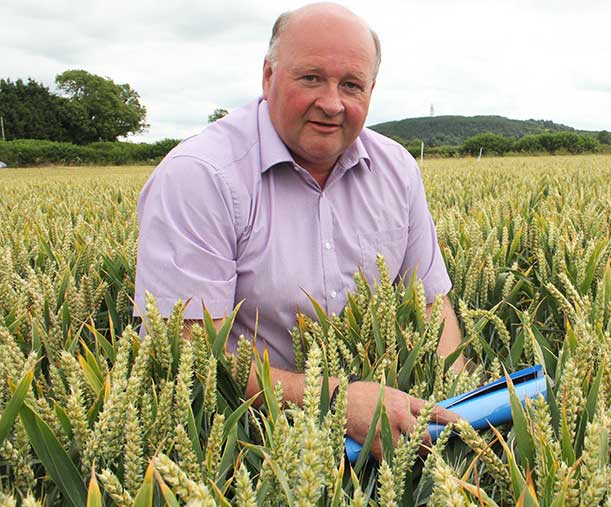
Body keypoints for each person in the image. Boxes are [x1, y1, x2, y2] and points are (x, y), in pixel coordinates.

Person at [133, 3, 462, 460]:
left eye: (351, 84)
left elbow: (429, 302)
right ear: (268, 76)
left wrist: (457, 402)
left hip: (390, 432)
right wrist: (333, 400)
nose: (331, 103)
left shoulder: (397, 169)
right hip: (242, 443)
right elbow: (185, 348)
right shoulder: (200, 175)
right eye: (311, 78)